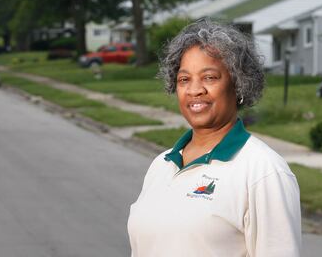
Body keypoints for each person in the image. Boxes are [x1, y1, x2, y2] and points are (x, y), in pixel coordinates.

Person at [127, 19, 302, 257]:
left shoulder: (263, 171)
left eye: (209, 77)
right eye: (184, 79)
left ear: (238, 85)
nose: (195, 90)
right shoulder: (161, 165)